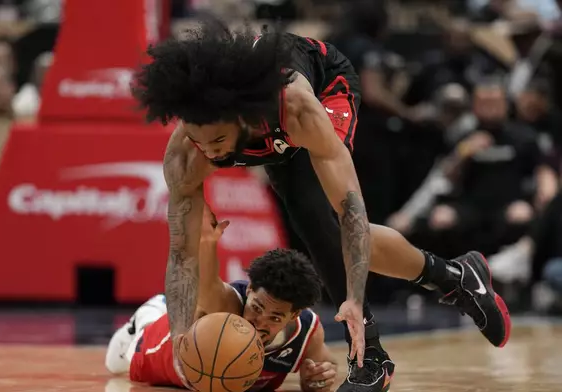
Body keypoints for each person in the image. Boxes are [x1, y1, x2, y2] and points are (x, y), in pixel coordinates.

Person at [132, 19, 511, 392]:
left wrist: (356, 301)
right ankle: (455, 278)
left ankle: (371, 359)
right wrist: (182, 335)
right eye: (200, 142)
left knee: (316, 219)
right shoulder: (186, 154)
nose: (210, 151)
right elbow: (183, 255)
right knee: (309, 218)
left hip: (326, 83)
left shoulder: (296, 110)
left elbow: (352, 214)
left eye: (217, 140)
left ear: (240, 117)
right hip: (270, 129)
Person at [106, 205, 338, 392]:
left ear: (293, 315)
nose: (259, 322)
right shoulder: (225, 304)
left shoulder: (307, 333)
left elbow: (328, 364)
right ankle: (147, 316)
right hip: (153, 345)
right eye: (256, 308)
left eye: (275, 317)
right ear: (249, 291)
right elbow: (207, 280)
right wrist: (208, 243)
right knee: (113, 365)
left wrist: (316, 379)